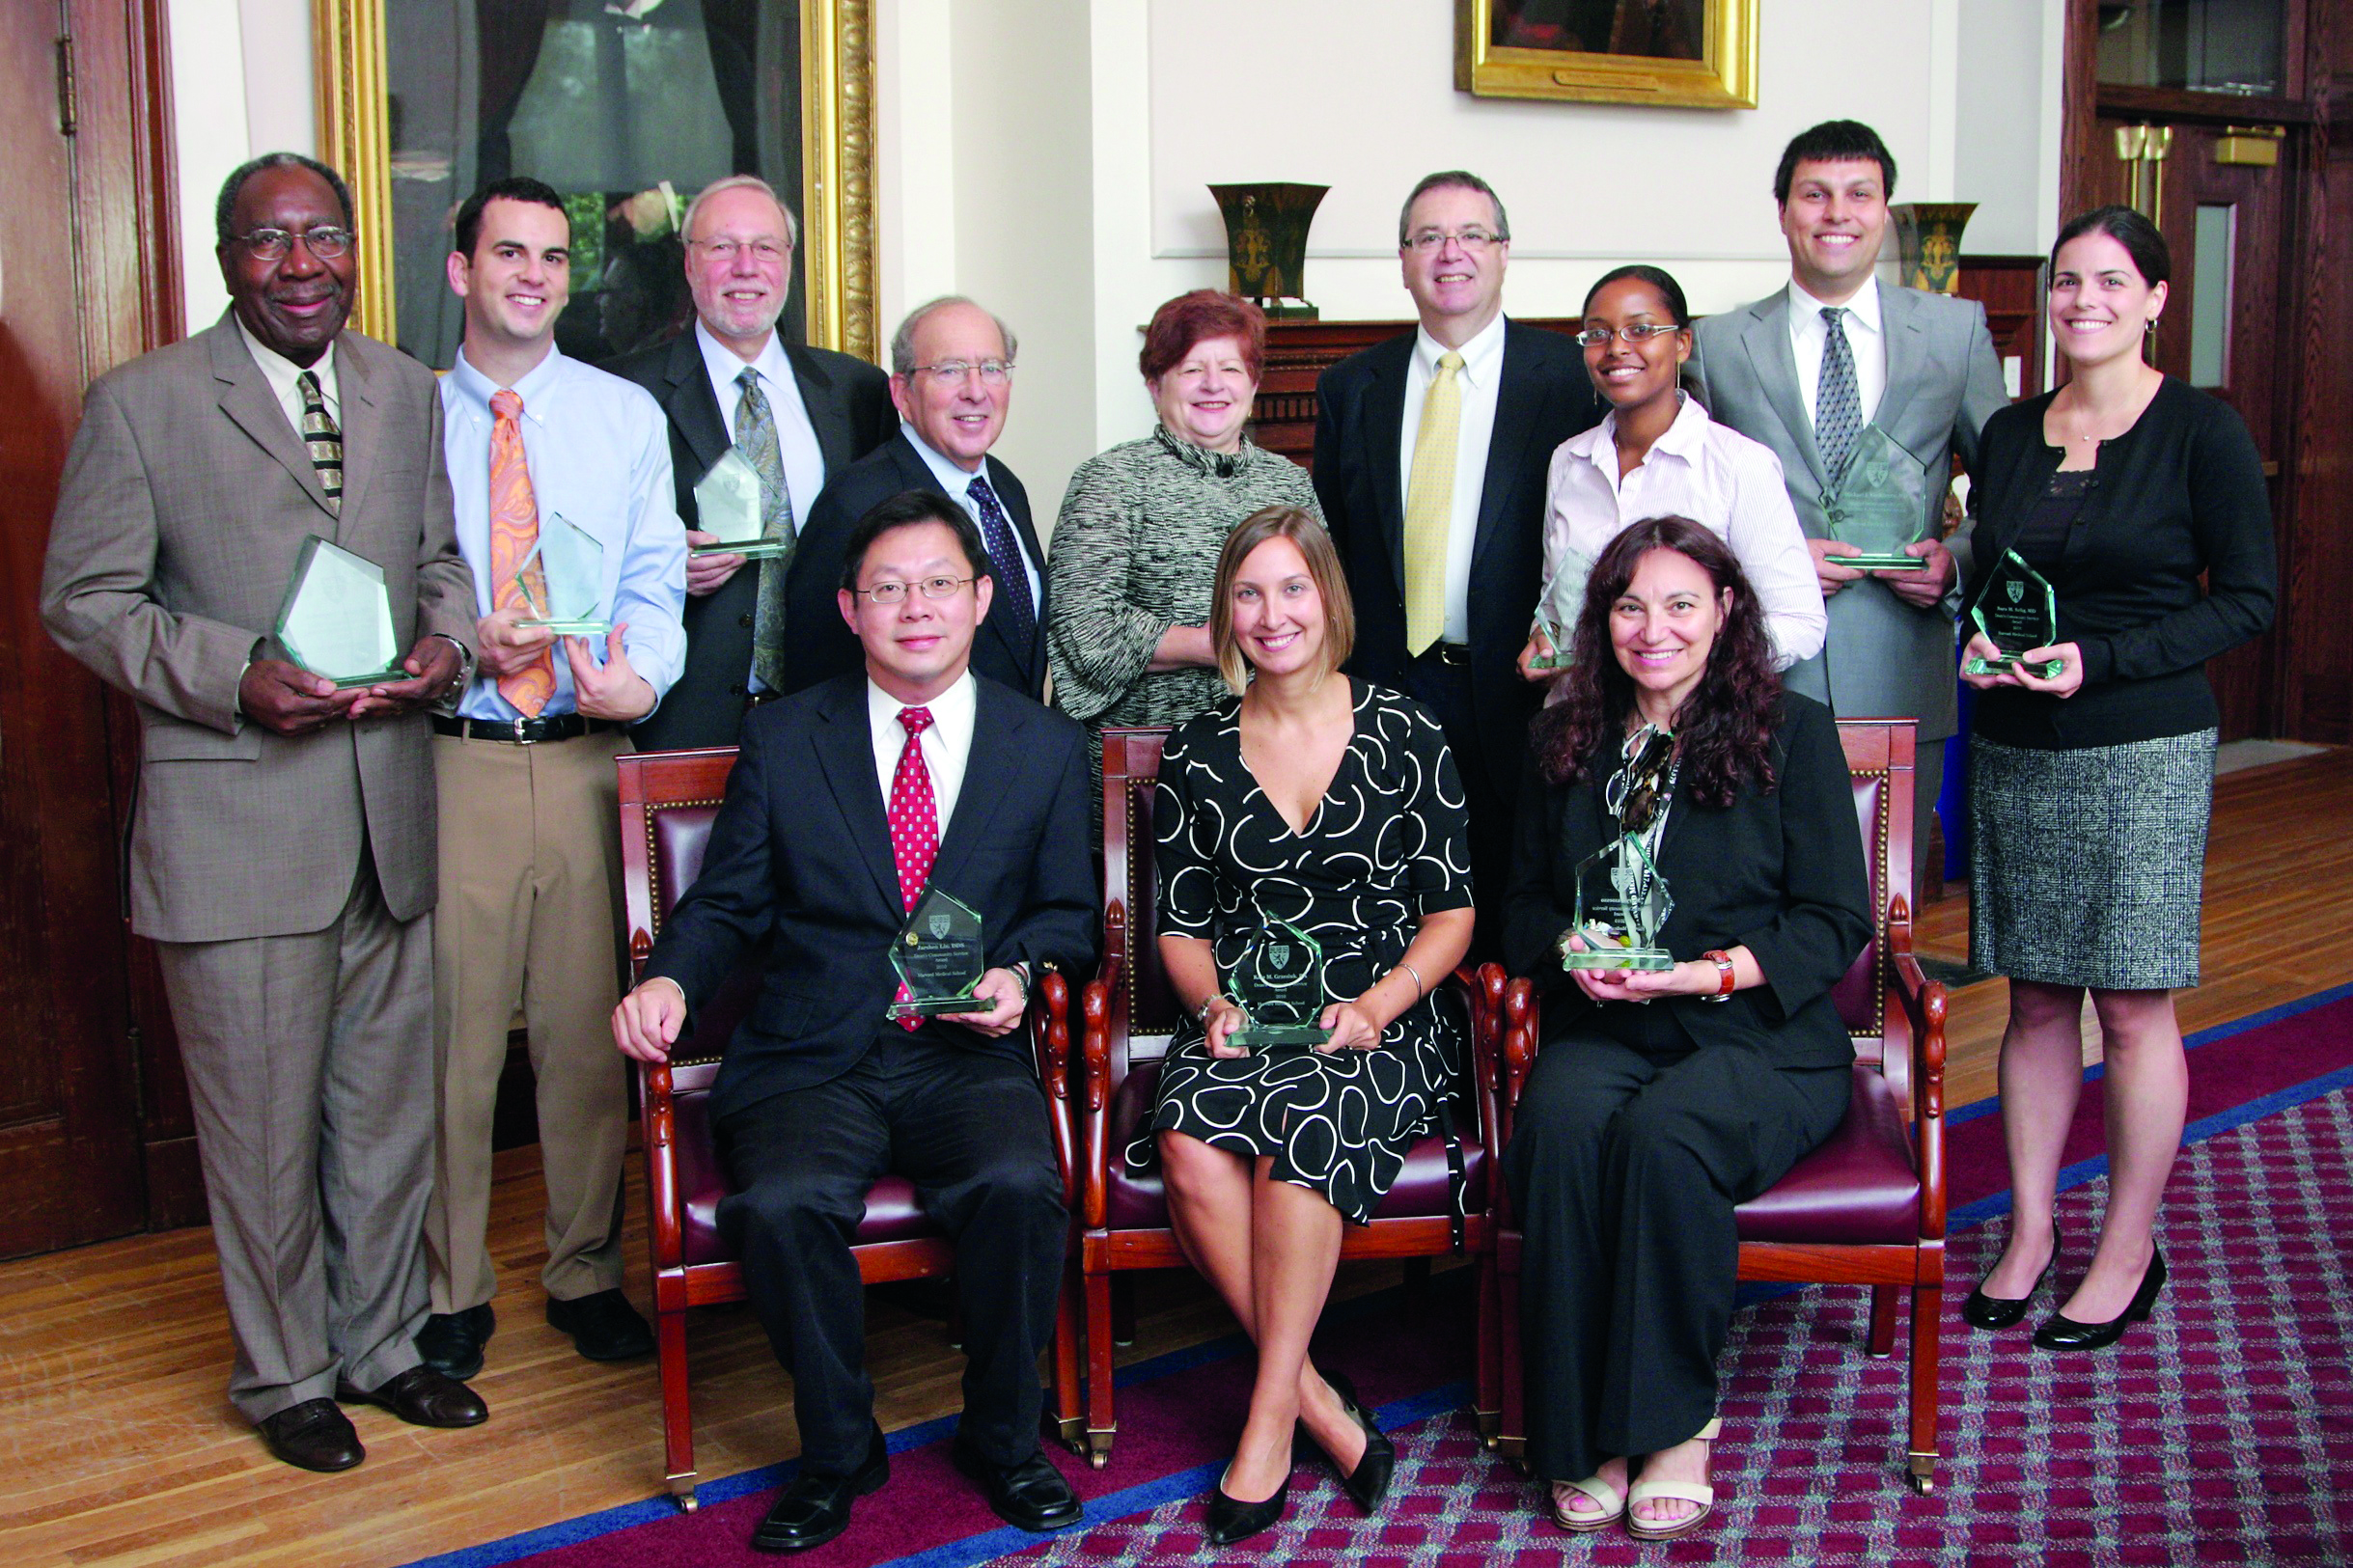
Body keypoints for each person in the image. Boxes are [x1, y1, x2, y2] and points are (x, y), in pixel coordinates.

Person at [40, 152, 486, 1471]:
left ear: (356, 248)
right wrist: (234, 675)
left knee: (383, 1116)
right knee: (260, 1132)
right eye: (268, 242)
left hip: (386, 820)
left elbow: (442, 564)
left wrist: (446, 651)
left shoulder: (405, 390)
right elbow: (85, 601)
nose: (302, 266)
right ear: (225, 258)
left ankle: (387, 1347)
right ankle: (286, 1373)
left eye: (325, 237)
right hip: (236, 833)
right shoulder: (143, 404)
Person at [612, 491, 1095, 1553]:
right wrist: (672, 984)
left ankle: (1004, 1437)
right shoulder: (786, 734)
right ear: (847, 607)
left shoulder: (1046, 744)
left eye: (935, 583)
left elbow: (1069, 914)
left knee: (1020, 1185)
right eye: (886, 587)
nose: (913, 606)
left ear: (980, 598)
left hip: (962, 1047)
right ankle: (838, 1449)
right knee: (780, 1204)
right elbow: (729, 900)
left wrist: (1019, 969)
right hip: (810, 1051)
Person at [1502, 517, 1871, 1540]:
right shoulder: (1563, 736)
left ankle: (1674, 1426)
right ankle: (1581, 1432)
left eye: (1678, 603)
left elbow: (1833, 918)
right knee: (1564, 1128)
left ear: (1724, 612)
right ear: (1601, 619)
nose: (1651, 628)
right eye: (1628, 605)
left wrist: (1703, 973)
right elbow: (1521, 901)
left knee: (1667, 1136)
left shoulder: (1790, 732)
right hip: (1608, 1025)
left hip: (1758, 1034)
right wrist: (1573, 948)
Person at [1955, 206, 2274, 1350]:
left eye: (2107, 281)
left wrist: (2099, 658)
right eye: (2063, 282)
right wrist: (1979, 642)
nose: (2080, 300)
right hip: (2015, 748)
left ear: (2152, 299)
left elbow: (2245, 598)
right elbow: (1988, 575)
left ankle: (2125, 1246)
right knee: (2036, 994)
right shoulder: (2005, 429)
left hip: (2139, 745)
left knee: (2132, 1008)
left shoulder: (2201, 430)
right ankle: (2031, 1230)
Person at [1142, 506, 1474, 1546]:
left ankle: (1266, 1422)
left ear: (1326, 595)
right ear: (1224, 613)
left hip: (1383, 1012)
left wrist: (1377, 1004)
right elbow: (1180, 925)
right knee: (1187, 1141)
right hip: (1247, 1013)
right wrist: (1211, 1007)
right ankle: (1322, 1401)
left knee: (1300, 1136)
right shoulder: (1195, 751)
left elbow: (1453, 909)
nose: (1270, 613)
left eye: (1290, 588)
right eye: (1248, 593)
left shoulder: (1405, 726)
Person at [416, 178, 687, 1382]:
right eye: (506, 251)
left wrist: (640, 679)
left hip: (589, 757)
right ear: (460, 268)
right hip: (455, 759)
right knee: (453, 1044)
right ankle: (445, 1288)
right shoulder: (404, 418)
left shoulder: (623, 414)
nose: (531, 272)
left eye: (552, 255)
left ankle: (582, 1270)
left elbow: (653, 579)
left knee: (584, 1043)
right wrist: (467, 637)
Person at [1687, 120, 2008, 887]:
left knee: (1883, 916)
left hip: (1902, 664)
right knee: (1757, 892)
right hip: (1762, 673)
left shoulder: (1956, 332)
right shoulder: (1720, 343)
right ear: (1784, 210)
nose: (1838, 213)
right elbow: (1691, 511)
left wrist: (1955, 564)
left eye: (1859, 194)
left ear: (1885, 208)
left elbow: (2011, 493)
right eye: (1816, 194)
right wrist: (1775, 564)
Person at [1313, 171, 1606, 937]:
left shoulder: (1571, 381)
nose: (1452, 253)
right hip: (1384, 684)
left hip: (1519, 686)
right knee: (1388, 891)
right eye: (1429, 237)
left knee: (1514, 896)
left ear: (1504, 253)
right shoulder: (1351, 387)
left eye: (1472, 235)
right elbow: (1336, 544)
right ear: (1404, 259)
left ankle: (1505, 1052)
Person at [608, 175, 895, 753]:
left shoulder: (857, 390)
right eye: (721, 247)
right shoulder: (622, 393)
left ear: (789, 262)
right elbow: (580, 549)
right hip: (680, 718)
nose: (746, 266)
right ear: (689, 265)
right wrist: (656, 565)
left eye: (765, 247)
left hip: (834, 715)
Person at [1045, 289, 1322, 778]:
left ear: (1254, 383)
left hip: (1279, 748)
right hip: (1140, 765)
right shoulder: (1109, 479)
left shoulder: (1290, 483)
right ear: (1155, 385)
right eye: (1192, 369)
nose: (1213, 384)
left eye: (1232, 368)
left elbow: (1324, 612)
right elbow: (1085, 633)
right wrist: (1229, 641)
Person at [1523, 265, 1823, 676]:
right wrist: (1544, 640)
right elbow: (1555, 606)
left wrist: (1689, 667)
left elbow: (1799, 622)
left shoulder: (1738, 465)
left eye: (1641, 330)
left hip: (1697, 727)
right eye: (1598, 334)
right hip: (1583, 725)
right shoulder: (1568, 461)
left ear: (1682, 343)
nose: (1616, 348)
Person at [781, 297, 1048, 699]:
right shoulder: (853, 502)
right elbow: (817, 676)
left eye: (991, 369)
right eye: (950, 370)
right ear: (902, 392)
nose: (975, 391)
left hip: (1008, 745)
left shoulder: (1006, 488)